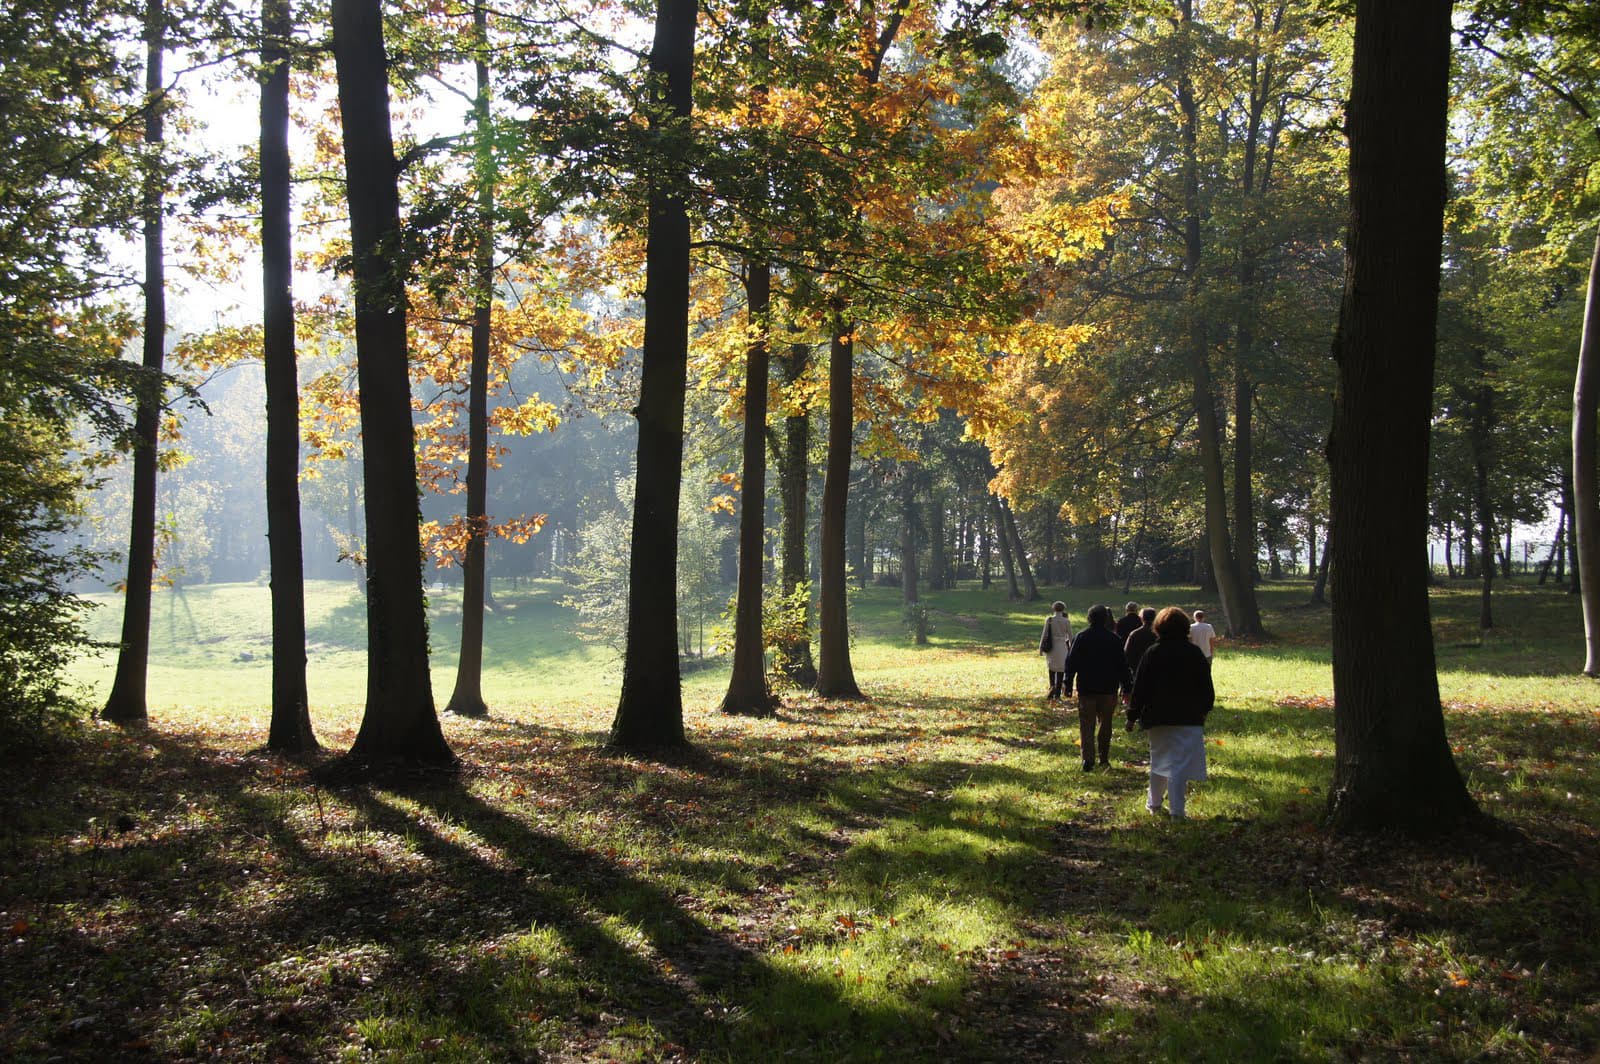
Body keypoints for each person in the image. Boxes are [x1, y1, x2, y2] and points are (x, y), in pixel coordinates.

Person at [1128, 606, 1215, 819]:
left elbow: (1140, 687)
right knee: (1179, 765)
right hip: (1188, 716)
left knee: (1159, 760)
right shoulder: (1194, 653)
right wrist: (1204, 709)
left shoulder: (1152, 653)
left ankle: (1154, 803)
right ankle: (1177, 811)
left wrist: (1132, 714)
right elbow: (1206, 686)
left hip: (1157, 716)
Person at [1063, 603, 1133, 770]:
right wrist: (1127, 687)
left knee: (1086, 724)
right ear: (1106, 619)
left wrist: (1067, 683)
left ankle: (1088, 759)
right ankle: (1104, 757)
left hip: (1087, 687)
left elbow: (1071, 662)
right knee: (1106, 724)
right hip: (1108, 688)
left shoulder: (1082, 637)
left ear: (1089, 618)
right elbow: (1122, 665)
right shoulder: (1114, 639)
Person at [1039, 601, 1074, 700]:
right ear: (1063, 609)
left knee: (1051, 668)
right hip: (1062, 646)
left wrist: (1040, 647)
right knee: (1061, 669)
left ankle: (1052, 688)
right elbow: (1071, 637)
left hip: (1051, 646)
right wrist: (1072, 649)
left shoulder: (1049, 620)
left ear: (1054, 609)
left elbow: (1044, 634)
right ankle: (1057, 693)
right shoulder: (1066, 621)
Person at [1123, 606, 1158, 675]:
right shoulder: (1159, 633)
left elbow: (1127, 654)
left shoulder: (1134, 634)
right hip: (1156, 670)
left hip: (1138, 669)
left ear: (1142, 618)